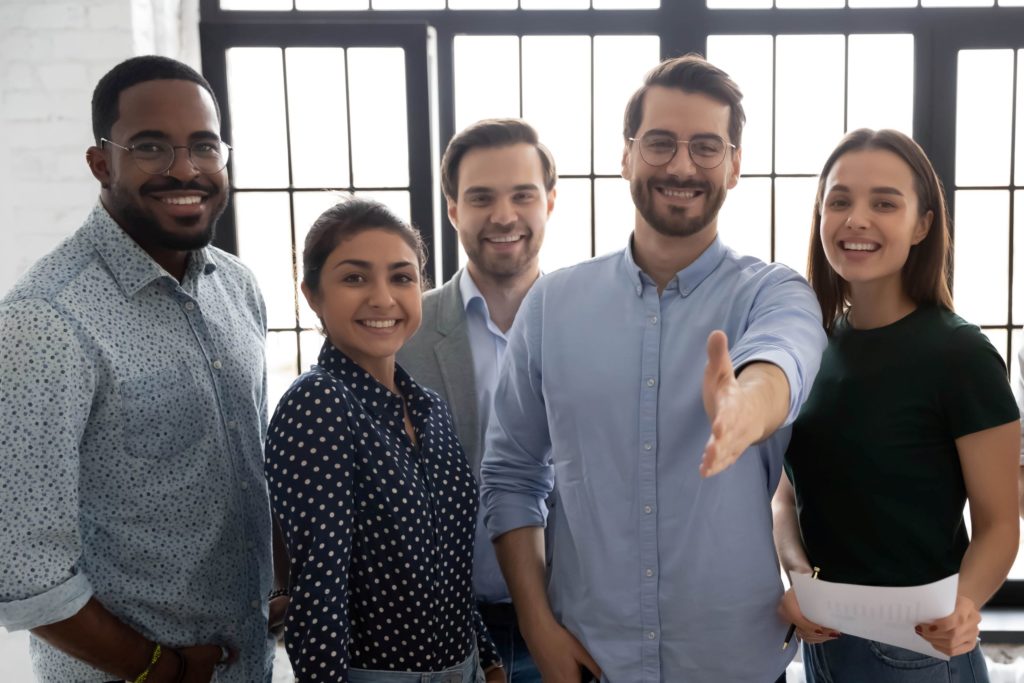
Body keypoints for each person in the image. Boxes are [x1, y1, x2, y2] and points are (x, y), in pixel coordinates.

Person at [478, 54, 827, 683]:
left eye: (706, 147)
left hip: (734, 663)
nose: (682, 166)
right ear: (627, 157)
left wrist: (746, 405)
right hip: (588, 660)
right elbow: (510, 475)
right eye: (660, 143)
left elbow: (786, 359)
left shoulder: (774, 292)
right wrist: (537, 627)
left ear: (735, 165)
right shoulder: (553, 304)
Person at [0, 55, 283, 682]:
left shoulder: (237, 287)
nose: (185, 169)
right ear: (102, 162)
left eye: (204, 146)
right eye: (152, 146)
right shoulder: (43, 322)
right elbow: (22, 569)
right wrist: (162, 669)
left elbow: (250, 473)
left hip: (249, 664)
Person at [774, 128, 1020, 681]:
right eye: (839, 201)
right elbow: (785, 495)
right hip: (823, 643)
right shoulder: (812, 344)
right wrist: (797, 578)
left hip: (919, 650)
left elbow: (1001, 522)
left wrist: (966, 605)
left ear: (923, 224)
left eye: (884, 202)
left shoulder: (960, 354)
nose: (856, 219)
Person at [264, 198, 505, 683]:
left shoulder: (429, 408)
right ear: (312, 294)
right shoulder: (319, 404)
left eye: (401, 277)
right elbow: (318, 594)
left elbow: (450, 563)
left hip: (467, 670)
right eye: (354, 278)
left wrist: (490, 660)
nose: (382, 298)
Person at [398, 118, 556, 683]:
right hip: (441, 631)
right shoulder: (402, 333)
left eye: (522, 195)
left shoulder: (591, 324)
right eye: (481, 197)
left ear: (551, 202)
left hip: (569, 624)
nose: (504, 216)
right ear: (451, 209)